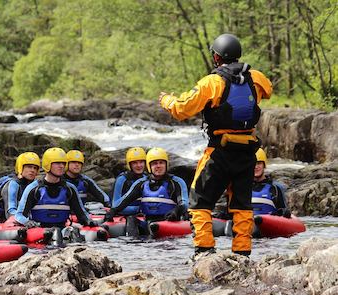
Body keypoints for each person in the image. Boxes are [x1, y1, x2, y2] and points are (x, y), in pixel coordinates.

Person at [159, 33, 273, 256]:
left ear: (217, 57)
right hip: (248, 152)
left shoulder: (212, 82)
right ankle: (242, 252)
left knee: (199, 201)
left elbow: (182, 109)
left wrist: (166, 100)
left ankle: (204, 249)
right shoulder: (256, 77)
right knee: (241, 203)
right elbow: (268, 90)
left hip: (220, 151)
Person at [105, 148, 189, 235]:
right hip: (149, 223)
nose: (158, 166)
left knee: (154, 228)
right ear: (149, 166)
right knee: (131, 220)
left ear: (166, 164)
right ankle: (133, 245)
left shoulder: (176, 182)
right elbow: (124, 200)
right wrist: (113, 211)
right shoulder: (142, 183)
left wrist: (176, 210)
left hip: (170, 222)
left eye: (161, 163)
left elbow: (184, 203)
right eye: (154, 163)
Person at [15, 147, 98, 228]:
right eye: (57, 163)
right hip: (39, 231)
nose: (61, 166)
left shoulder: (70, 189)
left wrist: (88, 221)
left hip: (62, 229)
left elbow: (82, 214)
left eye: (63, 163)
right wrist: (26, 222)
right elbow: (19, 215)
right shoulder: (33, 189)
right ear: (48, 164)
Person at [0, 152, 41, 222]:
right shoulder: (13, 185)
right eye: (29, 167)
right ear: (21, 167)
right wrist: (26, 222)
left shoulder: (36, 187)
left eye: (35, 168)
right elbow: (11, 211)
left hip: (27, 222)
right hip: (6, 223)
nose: (33, 170)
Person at [252, 148, 290, 217]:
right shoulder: (243, 188)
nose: (256, 167)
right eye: (253, 163)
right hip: (246, 224)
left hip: (269, 225)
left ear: (264, 165)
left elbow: (284, 211)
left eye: (259, 163)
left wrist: (282, 213)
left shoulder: (276, 188)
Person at [111, 147, 147, 215]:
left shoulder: (147, 178)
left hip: (143, 214)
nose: (139, 165)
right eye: (135, 163)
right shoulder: (122, 180)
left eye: (141, 162)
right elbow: (114, 206)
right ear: (130, 165)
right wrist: (139, 209)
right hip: (126, 216)